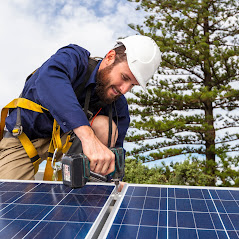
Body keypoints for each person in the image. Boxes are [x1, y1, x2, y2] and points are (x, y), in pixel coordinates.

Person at [0, 35, 161, 181]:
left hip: (68, 146)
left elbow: (115, 152)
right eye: (124, 77)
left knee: (106, 128)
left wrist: (115, 180)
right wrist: (88, 137)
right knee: (14, 204)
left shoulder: (118, 104)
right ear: (110, 57)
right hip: (23, 138)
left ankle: (79, 189)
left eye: (132, 84)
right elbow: (49, 81)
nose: (124, 89)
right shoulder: (74, 58)